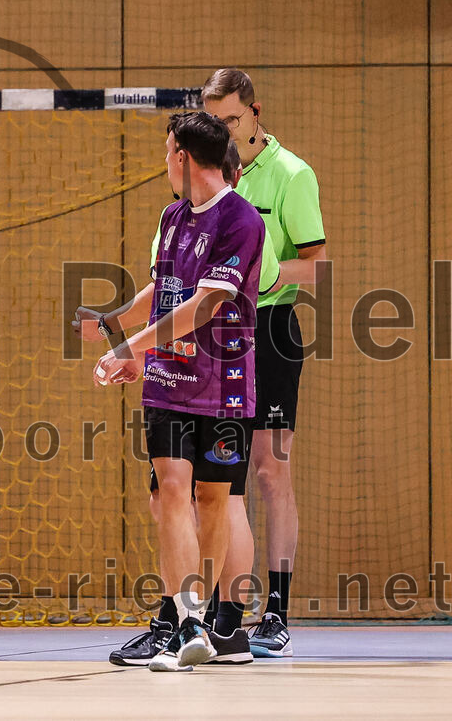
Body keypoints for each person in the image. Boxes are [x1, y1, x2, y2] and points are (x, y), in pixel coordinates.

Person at [78, 141, 277, 666]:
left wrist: (129, 346)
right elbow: (165, 291)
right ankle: (187, 623)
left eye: (168, 152)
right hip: (169, 379)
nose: (164, 161)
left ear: (184, 156)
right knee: (169, 491)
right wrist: (124, 338)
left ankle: (206, 627)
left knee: (214, 501)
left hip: (225, 383)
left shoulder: (241, 220)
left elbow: (205, 306)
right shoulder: (172, 216)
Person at [203, 68, 327, 657]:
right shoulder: (211, 175)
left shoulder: (291, 175)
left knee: (271, 471)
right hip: (216, 334)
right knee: (217, 477)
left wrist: (272, 273)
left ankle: (274, 612)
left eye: (232, 118)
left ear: (255, 111)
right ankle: (219, 613)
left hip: (272, 330)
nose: (225, 131)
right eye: (215, 122)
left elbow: (318, 267)